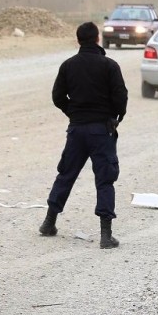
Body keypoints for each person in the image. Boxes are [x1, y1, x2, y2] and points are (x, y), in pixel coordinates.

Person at [39, 22, 128, 248]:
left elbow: (58, 96)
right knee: (105, 180)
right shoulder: (110, 66)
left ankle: (49, 222)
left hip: (77, 130)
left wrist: (74, 113)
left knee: (66, 174)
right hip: (101, 130)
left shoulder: (68, 66)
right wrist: (116, 117)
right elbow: (121, 97)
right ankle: (106, 235)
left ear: (78, 40)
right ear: (97, 38)